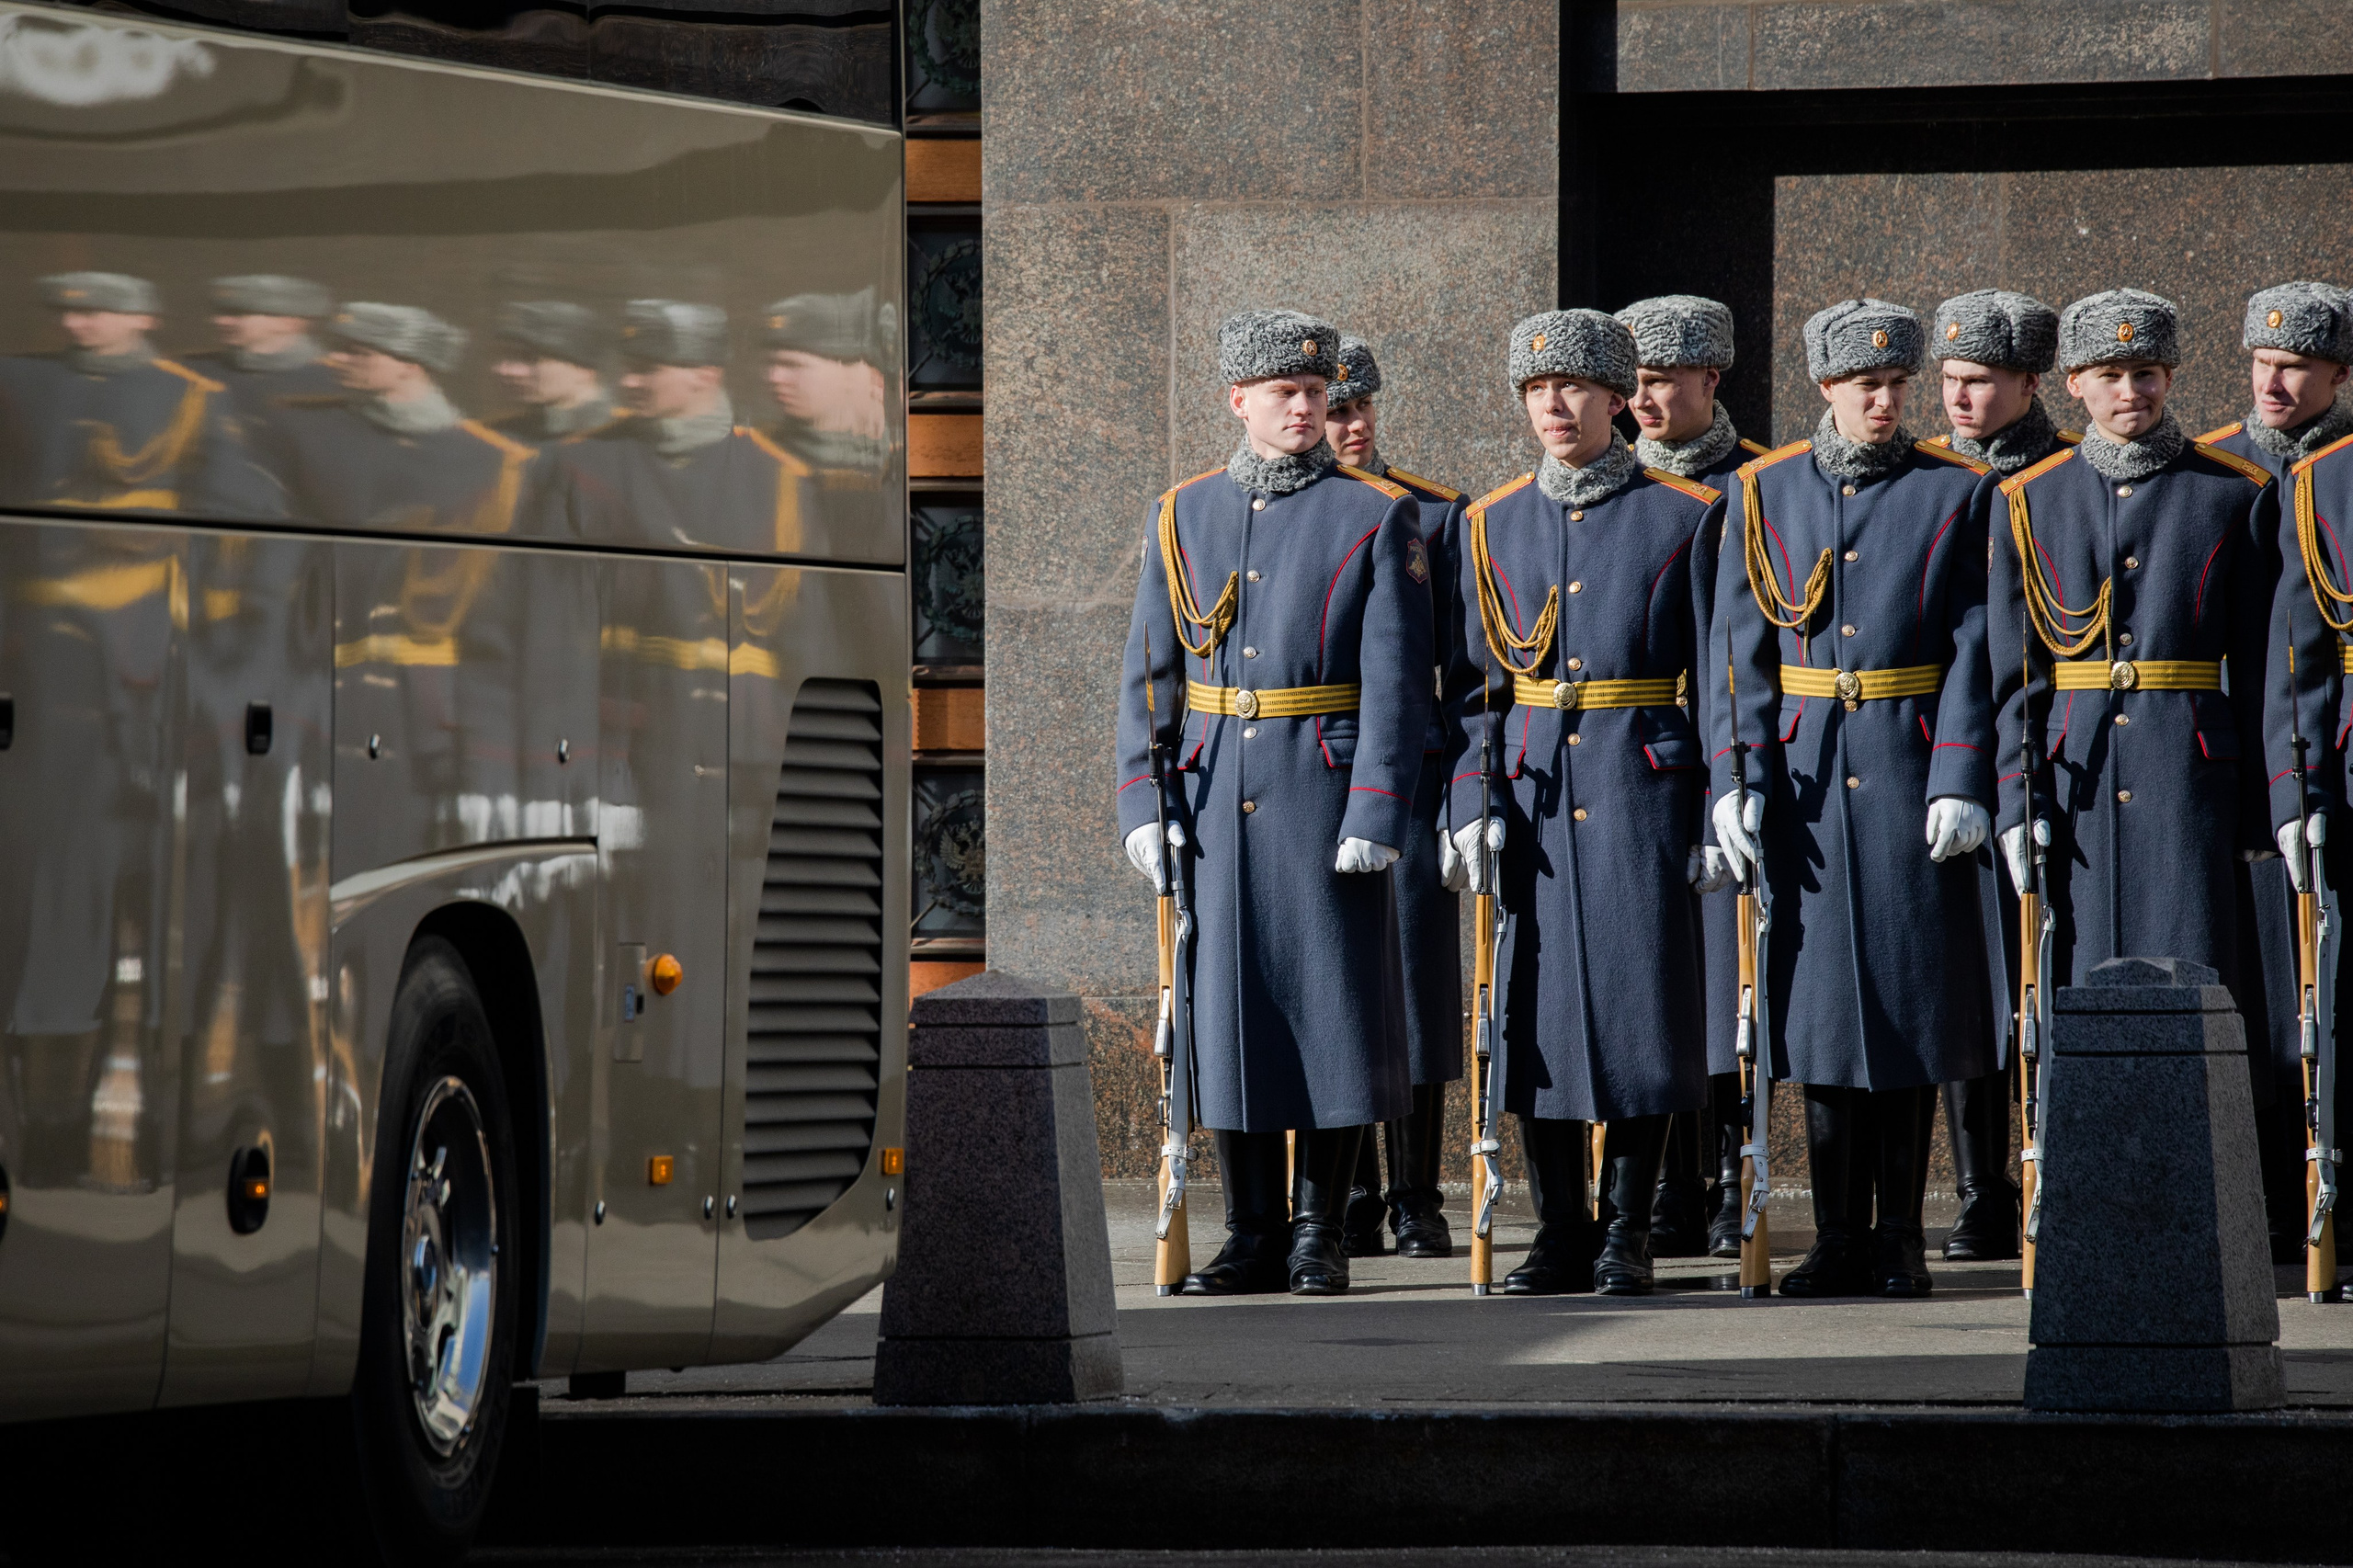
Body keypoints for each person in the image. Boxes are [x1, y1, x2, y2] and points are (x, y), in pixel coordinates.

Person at [1117, 309, 1431, 1297]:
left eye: (1317, 393)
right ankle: (1249, 1227)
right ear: (1238, 401)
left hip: (1323, 787)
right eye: (1285, 393)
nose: (1305, 409)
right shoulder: (1185, 514)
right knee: (1232, 1013)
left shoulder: (1375, 515)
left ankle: (1318, 1229)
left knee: (1333, 1012)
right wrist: (1143, 799)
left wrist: (1378, 810)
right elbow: (1150, 674)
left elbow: (1397, 683)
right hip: (1216, 796)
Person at [1711, 298, 1996, 1299]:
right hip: (1802, 783)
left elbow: (1976, 645)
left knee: (1912, 1011)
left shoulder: (1956, 492)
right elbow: (1736, 654)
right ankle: (1836, 1233)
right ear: (1825, 389)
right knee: (1821, 1018)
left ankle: (1901, 1237)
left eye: (1896, 385)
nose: (1884, 402)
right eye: (1865, 386)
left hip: (1910, 769)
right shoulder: (1760, 493)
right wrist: (1732, 778)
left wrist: (1963, 772)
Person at [1445, 309, 1721, 1296]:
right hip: (1529, 791)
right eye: (1535, 391)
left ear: (1617, 399)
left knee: (1643, 1010)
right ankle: (1560, 1225)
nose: (1553, 406)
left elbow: (1717, 674)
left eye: (1572, 389)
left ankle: (1630, 1227)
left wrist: (1716, 805)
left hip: (1642, 782)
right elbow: (1473, 686)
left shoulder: (1685, 514)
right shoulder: (1490, 522)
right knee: (1534, 1015)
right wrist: (1466, 800)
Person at [1991, 293, 2278, 1202]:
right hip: (2073, 778)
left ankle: (2207, 1189)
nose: (2129, 390)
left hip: (2187, 771)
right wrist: (2012, 797)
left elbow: (2264, 662)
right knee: (2075, 984)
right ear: (2073, 383)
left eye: (2144, 373)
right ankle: (2087, 1190)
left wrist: (2265, 805)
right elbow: (2011, 672)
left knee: (2194, 976)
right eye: (2109, 375)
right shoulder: (2027, 500)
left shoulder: (2230, 492)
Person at [1614, 293, 1768, 1261]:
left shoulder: (1761, 484)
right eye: (1632, 381)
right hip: (1637, 768)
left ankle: (1728, 1180)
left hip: (1722, 760)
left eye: (1665, 378)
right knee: (1651, 986)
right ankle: (1664, 1189)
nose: (1645, 398)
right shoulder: (1612, 484)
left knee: (1728, 991)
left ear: (1711, 380)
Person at [1925, 288, 2071, 1266]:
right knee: (1963, 983)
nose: (1961, 400)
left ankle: (2056, 1165)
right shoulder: (1927, 482)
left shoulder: (2062, 477)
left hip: (2052, 754)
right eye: (1949, 381)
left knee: (2043, 978)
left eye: (1981, 381)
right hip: (1942, 759)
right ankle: (1983, 1184)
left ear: (2028, 382)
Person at [1323, 334, 1464, 1261]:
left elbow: (1451, 663)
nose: (1351, 424)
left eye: (1361, 406)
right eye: (1336, 409)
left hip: (1409, 774)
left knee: (1412, 986)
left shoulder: (1434, 515)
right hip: (1320, 770)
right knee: (1339, 985)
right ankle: (1353, 1194)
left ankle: (1416, 1191)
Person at [2226, 283, 2353, 1262]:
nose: (2274, 381)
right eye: (2262, 363)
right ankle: (2273, 1194)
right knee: (2269, 999)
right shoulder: (2222, 466)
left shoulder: (2332, 474)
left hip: (2312, 750)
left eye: (2296, 367)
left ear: (2337, 377)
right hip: (2232, 759)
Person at [530, 300, 812, 551]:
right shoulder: (580, 461)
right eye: (627, 367)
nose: (629, 381)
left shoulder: (775, 476)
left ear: (704, 377)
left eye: (647, 370)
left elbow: (800, 602)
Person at [0, 271, 271, 517]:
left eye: (90, 314)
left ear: (143, 319)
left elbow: (220, 490)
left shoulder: (191, 391)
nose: (70, 323)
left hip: (138, 559)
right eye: (64, 312)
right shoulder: (17, 376)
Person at [258, 301, 533, 534]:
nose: (336, 358)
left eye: (357, 353)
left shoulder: (484, 454)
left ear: (410, 366)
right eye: (338, 347)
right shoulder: (302, 424)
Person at [188, 274, 340, 427]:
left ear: (289, 322)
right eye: (219, 312)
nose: (220, 321)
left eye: (238, 313)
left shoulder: (335, 380)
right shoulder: (193, 371)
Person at [486, 301, 614, 443]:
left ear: (584, 369)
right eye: (503, 356)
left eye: (530, 358)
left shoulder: (622, 441)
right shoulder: (493, 436)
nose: (505, 371)